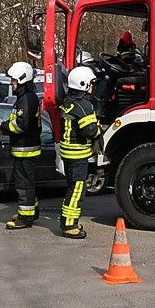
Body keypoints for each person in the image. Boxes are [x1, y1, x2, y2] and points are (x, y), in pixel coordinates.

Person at [0, 61, 41, 229]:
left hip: (25, 149)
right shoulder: (26, 98)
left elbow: (21, 125)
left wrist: (3, 127)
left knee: (23, 185)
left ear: (21, 80)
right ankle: (32, 211)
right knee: (28, 183)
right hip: (24, 148)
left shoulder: (26, 99)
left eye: (13, 81)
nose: (11, 84)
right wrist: (3, 125)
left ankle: (25, 218)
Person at [57, 65, 101, 239]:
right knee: (77, 190)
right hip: (78, 155)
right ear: (83, 84)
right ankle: (69, 224)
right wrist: (99, 131)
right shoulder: (84, 106)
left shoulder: (68, 102)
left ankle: (69, 220)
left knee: (71, 187)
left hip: (67, 154)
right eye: (90, 83)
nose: (92, 87)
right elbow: (88, 130)